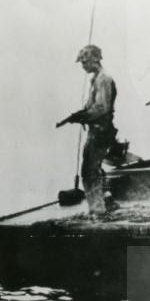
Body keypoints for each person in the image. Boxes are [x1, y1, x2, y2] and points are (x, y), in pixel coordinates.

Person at [56, 44, 118, 215]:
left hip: (101, 130)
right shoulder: (96, 79)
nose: (83, 66)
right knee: (94, 168)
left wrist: (82, 117)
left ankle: (98, 210)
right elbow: (93, 106)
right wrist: (80, 114)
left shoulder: (103, 79)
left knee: (89, 171)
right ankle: (107, 201)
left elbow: (102, 108)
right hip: (96, 130)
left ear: (95, 59)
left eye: (85, 62)